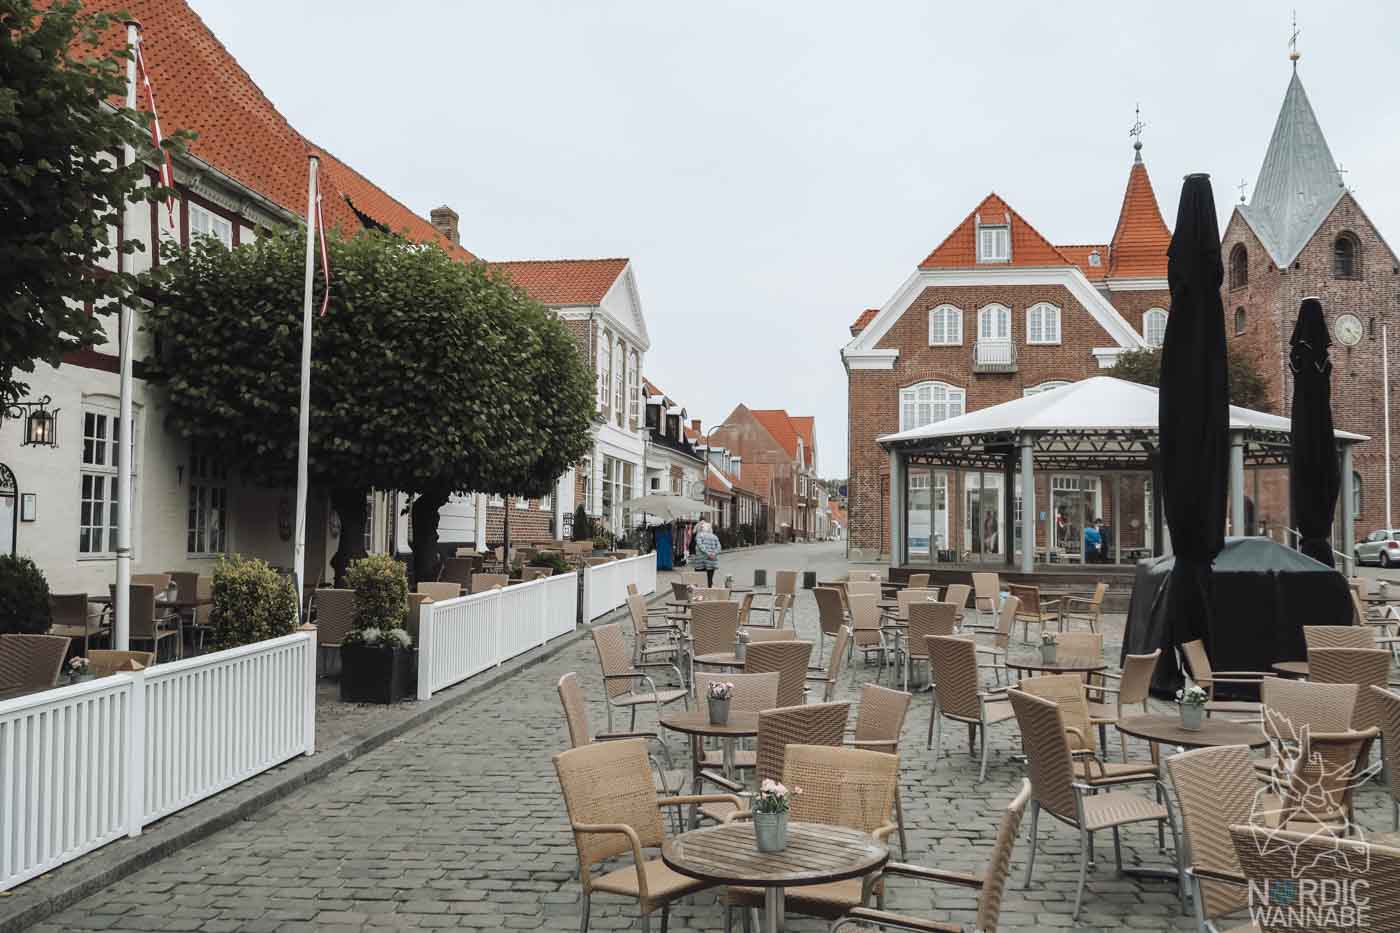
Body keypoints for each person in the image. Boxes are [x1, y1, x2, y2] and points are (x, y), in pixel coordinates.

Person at [693, 521, 722, 586]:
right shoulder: (714, 536)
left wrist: (708, 554)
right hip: (711, 561)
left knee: (699, 580)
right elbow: (719, 547)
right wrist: (714, 554)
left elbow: (701, 546)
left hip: (701, 561)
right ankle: (709, 592)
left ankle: (700, 594)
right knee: (709, 579)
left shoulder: (699, 535)